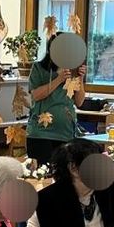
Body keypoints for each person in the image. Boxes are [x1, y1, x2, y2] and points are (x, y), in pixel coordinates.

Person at [25, 33, 87, 168]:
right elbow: (36, 95)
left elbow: (79, 102)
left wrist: (81, 79)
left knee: (63, 175)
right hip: (41, 133)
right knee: (41, 173)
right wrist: (59, 79)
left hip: (65, 132)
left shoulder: (73, 70)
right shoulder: (39, 68)